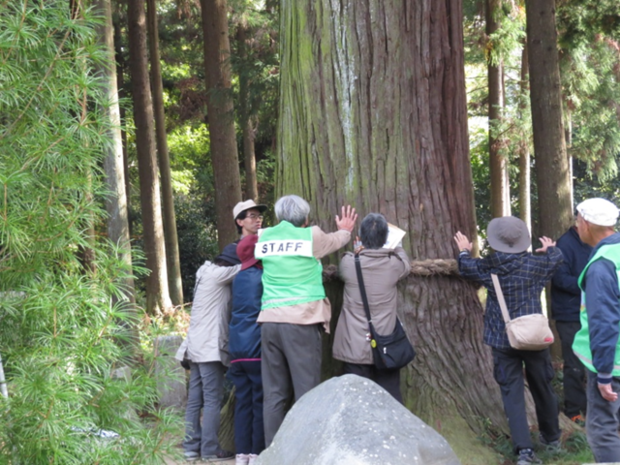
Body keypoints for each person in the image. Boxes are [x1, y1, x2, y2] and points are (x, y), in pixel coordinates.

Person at [454, 216, 562, 465]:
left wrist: (463, 251)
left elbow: (465, 267)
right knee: (543, 387)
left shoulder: (488, 266)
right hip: (535, 337)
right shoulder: (536, 264)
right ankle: (552, 438)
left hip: (502, 339)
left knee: (511, 393)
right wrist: (550, 248)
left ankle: (524, 451)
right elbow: (557, 259)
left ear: (495, 242)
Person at [256, 195, 357, 446]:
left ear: (279, 217)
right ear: (307, 219)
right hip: (300, 321)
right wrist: (345, 230)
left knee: (274, 394)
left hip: (269, 322)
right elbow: (336, 240)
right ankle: (306, 452)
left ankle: (274, 454)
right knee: (307, 392)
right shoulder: (311, 236)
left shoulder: (265, 236)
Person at [333, 213, 411, 402]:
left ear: (359, 238)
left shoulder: (348, 264)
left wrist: (357, 249)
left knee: (356, 401)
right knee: (390, 400)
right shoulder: (394, 265)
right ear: (385, 239)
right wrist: (398, 247)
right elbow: (406, 264)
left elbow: (348, 259)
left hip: (354, 346)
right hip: (386, 346)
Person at [175, 244, 240, 462]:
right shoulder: (222, 274)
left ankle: (191, 447)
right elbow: (248, 266)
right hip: (210, 347)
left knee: (195, 400)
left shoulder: (205, 271)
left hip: (194, 346)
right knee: (212, 399)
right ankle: (210, 450)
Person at [571, 198, 620, 463]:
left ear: (586, 223)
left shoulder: (603, 264)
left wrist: (603, 373)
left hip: (612, 363)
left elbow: (604, 321)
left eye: (577, 221)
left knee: (602, 430)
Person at [228, 234, 265, 465]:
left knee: (243, 402)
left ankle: (241, 454)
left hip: (236, 350)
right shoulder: (263, 277)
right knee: (260, 401)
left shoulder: (237, 277)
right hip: (256, 349)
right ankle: (257, 452)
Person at [551, 222, 592, 423]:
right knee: (575, 364)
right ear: (582, 224)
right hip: (570, 315)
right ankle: (574, 411)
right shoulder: (564, 245)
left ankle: (596, 409)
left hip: (594, 313)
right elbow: (560, 279)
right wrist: (591, 283)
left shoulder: (595, 242)